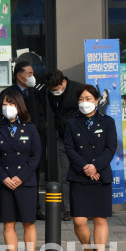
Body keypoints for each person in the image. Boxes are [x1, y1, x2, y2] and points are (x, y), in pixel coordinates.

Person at [0, 88, 41, 251]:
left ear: (20, 106)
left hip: (25, 182)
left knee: (28, 223)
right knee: (8, 224)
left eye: (11, 103)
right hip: (5, 183)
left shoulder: (30, 128)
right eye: (4, 104)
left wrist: (21, 177)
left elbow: (36, 157)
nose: (7, 107)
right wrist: (4, 178)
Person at [64, 84, 117, 251]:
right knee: (79, 220)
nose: (84, 103)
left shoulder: (108, 122)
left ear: (97, 101)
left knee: (99, 219)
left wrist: (96, 166)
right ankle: (88, 249)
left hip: (100, 176)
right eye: (81, 99)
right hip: (79, 176)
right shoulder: (71, 123)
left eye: (88, 99)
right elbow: (69, 148)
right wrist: (86, 168)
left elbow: (110, 148)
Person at [0, 61, 47, 220]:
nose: (32, 77)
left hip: (33, 138)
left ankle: (34, 208)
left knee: (33, 172)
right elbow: (1, 116)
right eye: (29, 74)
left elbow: (42, 114)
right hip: (11, 139)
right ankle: (14, 207)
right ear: (19, 76)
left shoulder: (36, 92)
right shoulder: (8, 93)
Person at [45, 69, 83, 221]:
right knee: (65, 174)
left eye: (56, 89)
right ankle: (67, 208)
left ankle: (84, 206)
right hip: (63, 137)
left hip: (80, 138)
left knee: (83, 172)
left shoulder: (77, 90)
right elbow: (56, 113)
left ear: (63, 82)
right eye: (51, 90)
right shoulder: (50, 94)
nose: (55, 92)